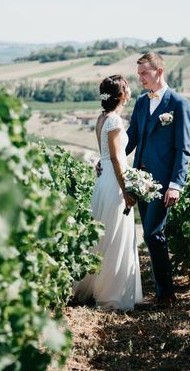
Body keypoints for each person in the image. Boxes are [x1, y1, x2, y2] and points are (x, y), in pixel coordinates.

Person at [125, 52, 190, 304]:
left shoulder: (178, 104)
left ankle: (166, 294)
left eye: (144, 73)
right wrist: (111, 159)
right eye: (139, 73)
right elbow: (132, 137)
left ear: (159, 71)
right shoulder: (142, 102)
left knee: (153, 233)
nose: (140, 78)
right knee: (151, 234)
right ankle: (162, 291)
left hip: (163, 182)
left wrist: (176, 184)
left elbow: (183, 148)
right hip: (139, 179)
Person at [73, 75, 143, 310]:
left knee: (105, 234)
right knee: (114, 237)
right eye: (127, 88)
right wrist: (127, 191)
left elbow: (104, 155)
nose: (130, 92)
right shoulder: (114, 121)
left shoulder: (101, 119)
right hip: (114, 181)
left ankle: (97, 287)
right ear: (122, 95)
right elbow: (114, 158)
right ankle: (111, 294)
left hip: (104, 181)